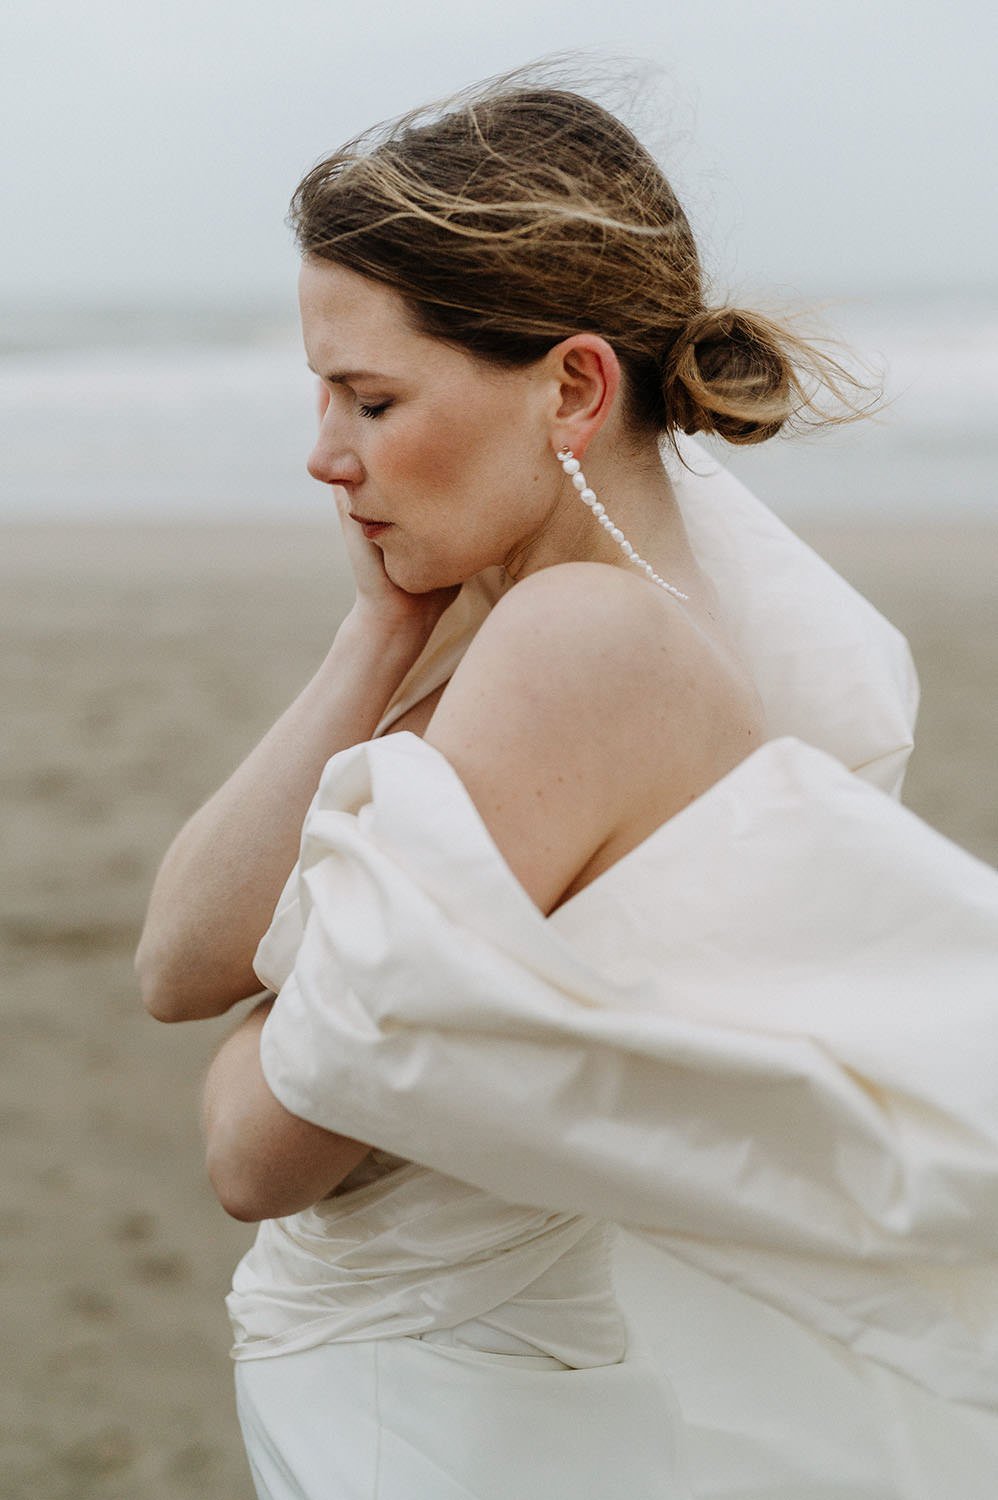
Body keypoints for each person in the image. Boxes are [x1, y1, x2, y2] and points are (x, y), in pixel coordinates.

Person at [135, 73, 998, 1500]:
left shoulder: (582, 648)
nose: (324, 453)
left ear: (574, 388)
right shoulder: (668, 630)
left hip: (435, 1405)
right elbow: (177, 963)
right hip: (494, 1378)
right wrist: (381, 634)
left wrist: (286, 1009)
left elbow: (256, 1152)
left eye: (371, 396)